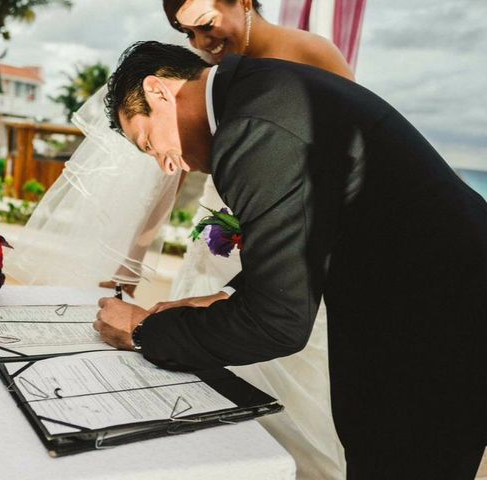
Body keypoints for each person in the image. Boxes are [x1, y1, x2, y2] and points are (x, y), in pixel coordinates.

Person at [95, 41, 487, 479]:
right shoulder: (259, 90)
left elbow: (276, 323)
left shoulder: (252, 127)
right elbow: (305, 237)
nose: (166, 167)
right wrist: (221, 297)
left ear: (159, 91)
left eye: (149, 142)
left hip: (431, 344)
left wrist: (143, 330)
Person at [155, 1, 354, 478]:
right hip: (216, 242)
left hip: (293, 244)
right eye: (188, 35)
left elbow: (353, 148)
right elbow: (175, 166)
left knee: (296, 377)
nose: (202, 44)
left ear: (243, 2)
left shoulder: (312, 51)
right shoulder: (203, 76)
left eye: (205, 26)